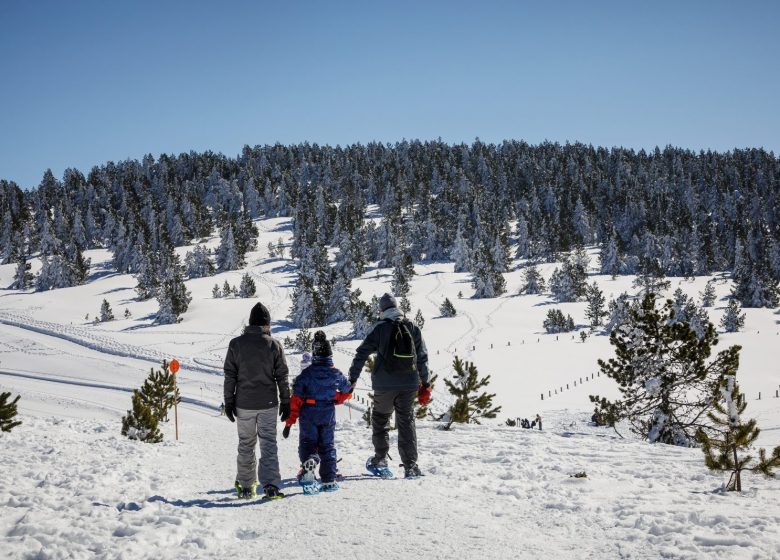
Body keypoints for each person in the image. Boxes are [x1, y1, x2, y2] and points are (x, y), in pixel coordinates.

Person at [348, 293, 430, 479]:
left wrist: (353, 378)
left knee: (380, 419)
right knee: (406, 421)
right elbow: (422, 357)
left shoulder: (379, 328)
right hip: (409, 384)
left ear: (382, 310)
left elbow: (361, 353)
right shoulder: (412, 327)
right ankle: (410, 466)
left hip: (384, 384)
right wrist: (425, 383)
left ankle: (381, 459)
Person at [223, 302, 290, 500]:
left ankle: (245, 486)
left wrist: (228, 402)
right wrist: (286, 401)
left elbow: (230, 376)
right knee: (268, 444)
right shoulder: (274, 345)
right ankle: (270, 486)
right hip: (268, 404)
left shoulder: (236, 344)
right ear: (266, 324)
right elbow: (282, 376)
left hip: (243, 404)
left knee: (246, 443)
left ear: (250, 323)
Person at [283, 331, 352, 493]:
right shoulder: (335, 373)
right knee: (327, 445)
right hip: (328, 412)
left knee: (308, 443)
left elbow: (296, 400)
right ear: (329, 354)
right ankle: (329, 479)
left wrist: (289, 422)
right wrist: (335, 398)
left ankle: (309, 463)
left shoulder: (306, 374)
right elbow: (347, 390)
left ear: (315, 354)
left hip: (308, 412)